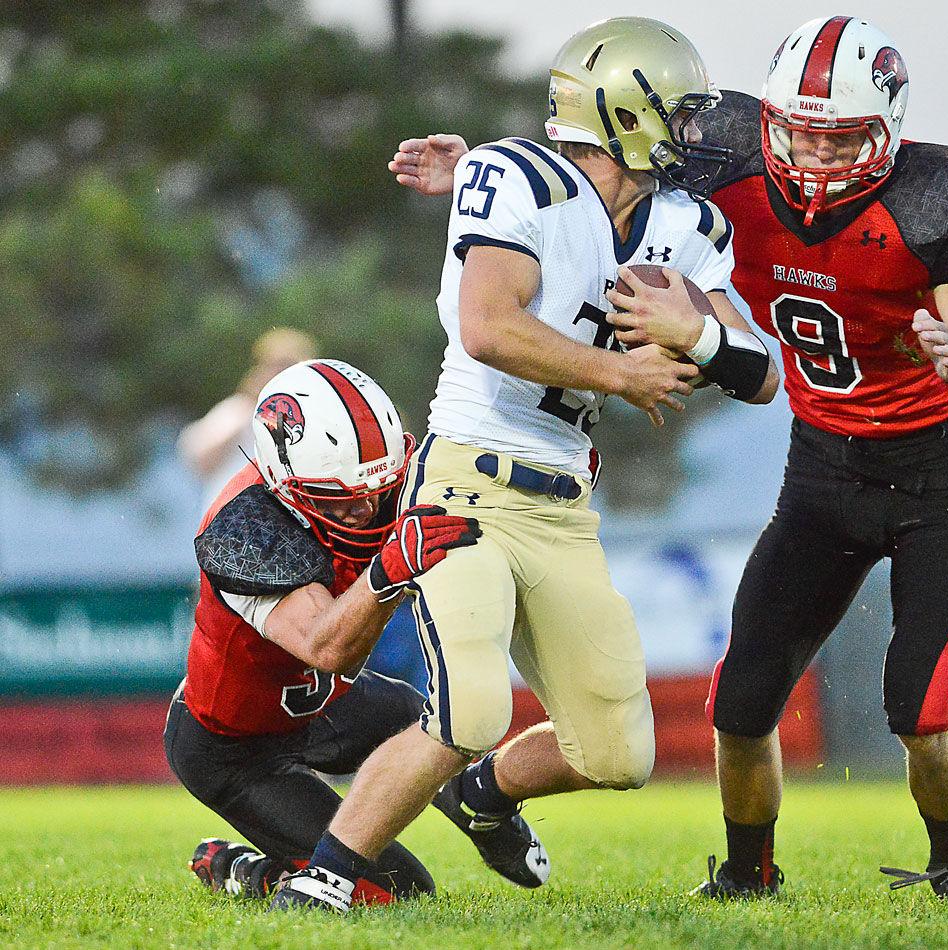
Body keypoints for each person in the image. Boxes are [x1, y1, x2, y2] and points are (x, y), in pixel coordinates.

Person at [391, 14, 948, 909]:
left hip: (939, 473)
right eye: (796, 128)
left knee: (919, 710)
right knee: (741, 704)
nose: (809, 152)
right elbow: (599, 159)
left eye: (835, 135)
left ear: (884, 131)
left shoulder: (932, 201)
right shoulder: (721, 166)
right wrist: (476, 177)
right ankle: (745, 872)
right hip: (826, 468)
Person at [269, 16, 778, 912]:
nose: (695, 132)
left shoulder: (685, 223)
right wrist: (623, 369)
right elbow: (489, 326)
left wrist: (695, 334)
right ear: (625, 108)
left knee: (619, 755)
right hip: (465, 480)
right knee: (470, 709)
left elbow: (762, 370)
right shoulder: (516, 177)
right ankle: (326, 876)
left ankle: (485, 796)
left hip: (563, 504)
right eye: (681, 111)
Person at [165, 358, 548, 906]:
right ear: (283, 482)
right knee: (398, 893)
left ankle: (476, 801)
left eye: (379, 484)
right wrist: (392, 567)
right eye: (336, 494)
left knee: (442, 720)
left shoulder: (376, 483)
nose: (364, 506)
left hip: (323, 708)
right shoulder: (243, 528)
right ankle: (248, 870)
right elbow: (330, 648)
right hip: (235, 744)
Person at [177, 328, 317, 506]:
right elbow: (200, 458)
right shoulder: (238, 409)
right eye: (276, 366)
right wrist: (252, 406)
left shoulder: (310, 418)